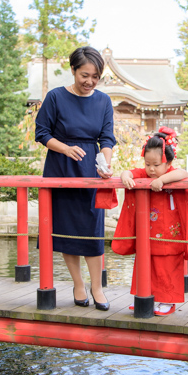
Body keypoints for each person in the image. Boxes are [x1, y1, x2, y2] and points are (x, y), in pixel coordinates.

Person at [35, 46, 116, 311]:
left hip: (90, 170)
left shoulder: (103, 101)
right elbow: (42, 133)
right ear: (73, 70)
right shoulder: (56, 97)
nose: (90, 81)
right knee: (67, 230)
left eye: (95, 76)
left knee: (92, 229)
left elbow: (106, 137)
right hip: (61, 167)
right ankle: (78, 284)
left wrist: (105, 162)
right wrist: (65, 148)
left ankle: (97, 287)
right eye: (85, 75)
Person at [112, 128, 188, 316]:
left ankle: (167, 300)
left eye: (156, 164)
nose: (151, 169)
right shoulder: (144, 175)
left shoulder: (172, 174)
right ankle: (145, 297)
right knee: (146, 264)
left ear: (168, 162)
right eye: (147, 164)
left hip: (170, 234)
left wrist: (162, 179)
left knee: (168, 267)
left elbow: (183, 173)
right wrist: (126, 177)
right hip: (148, 234)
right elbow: (128, 171)